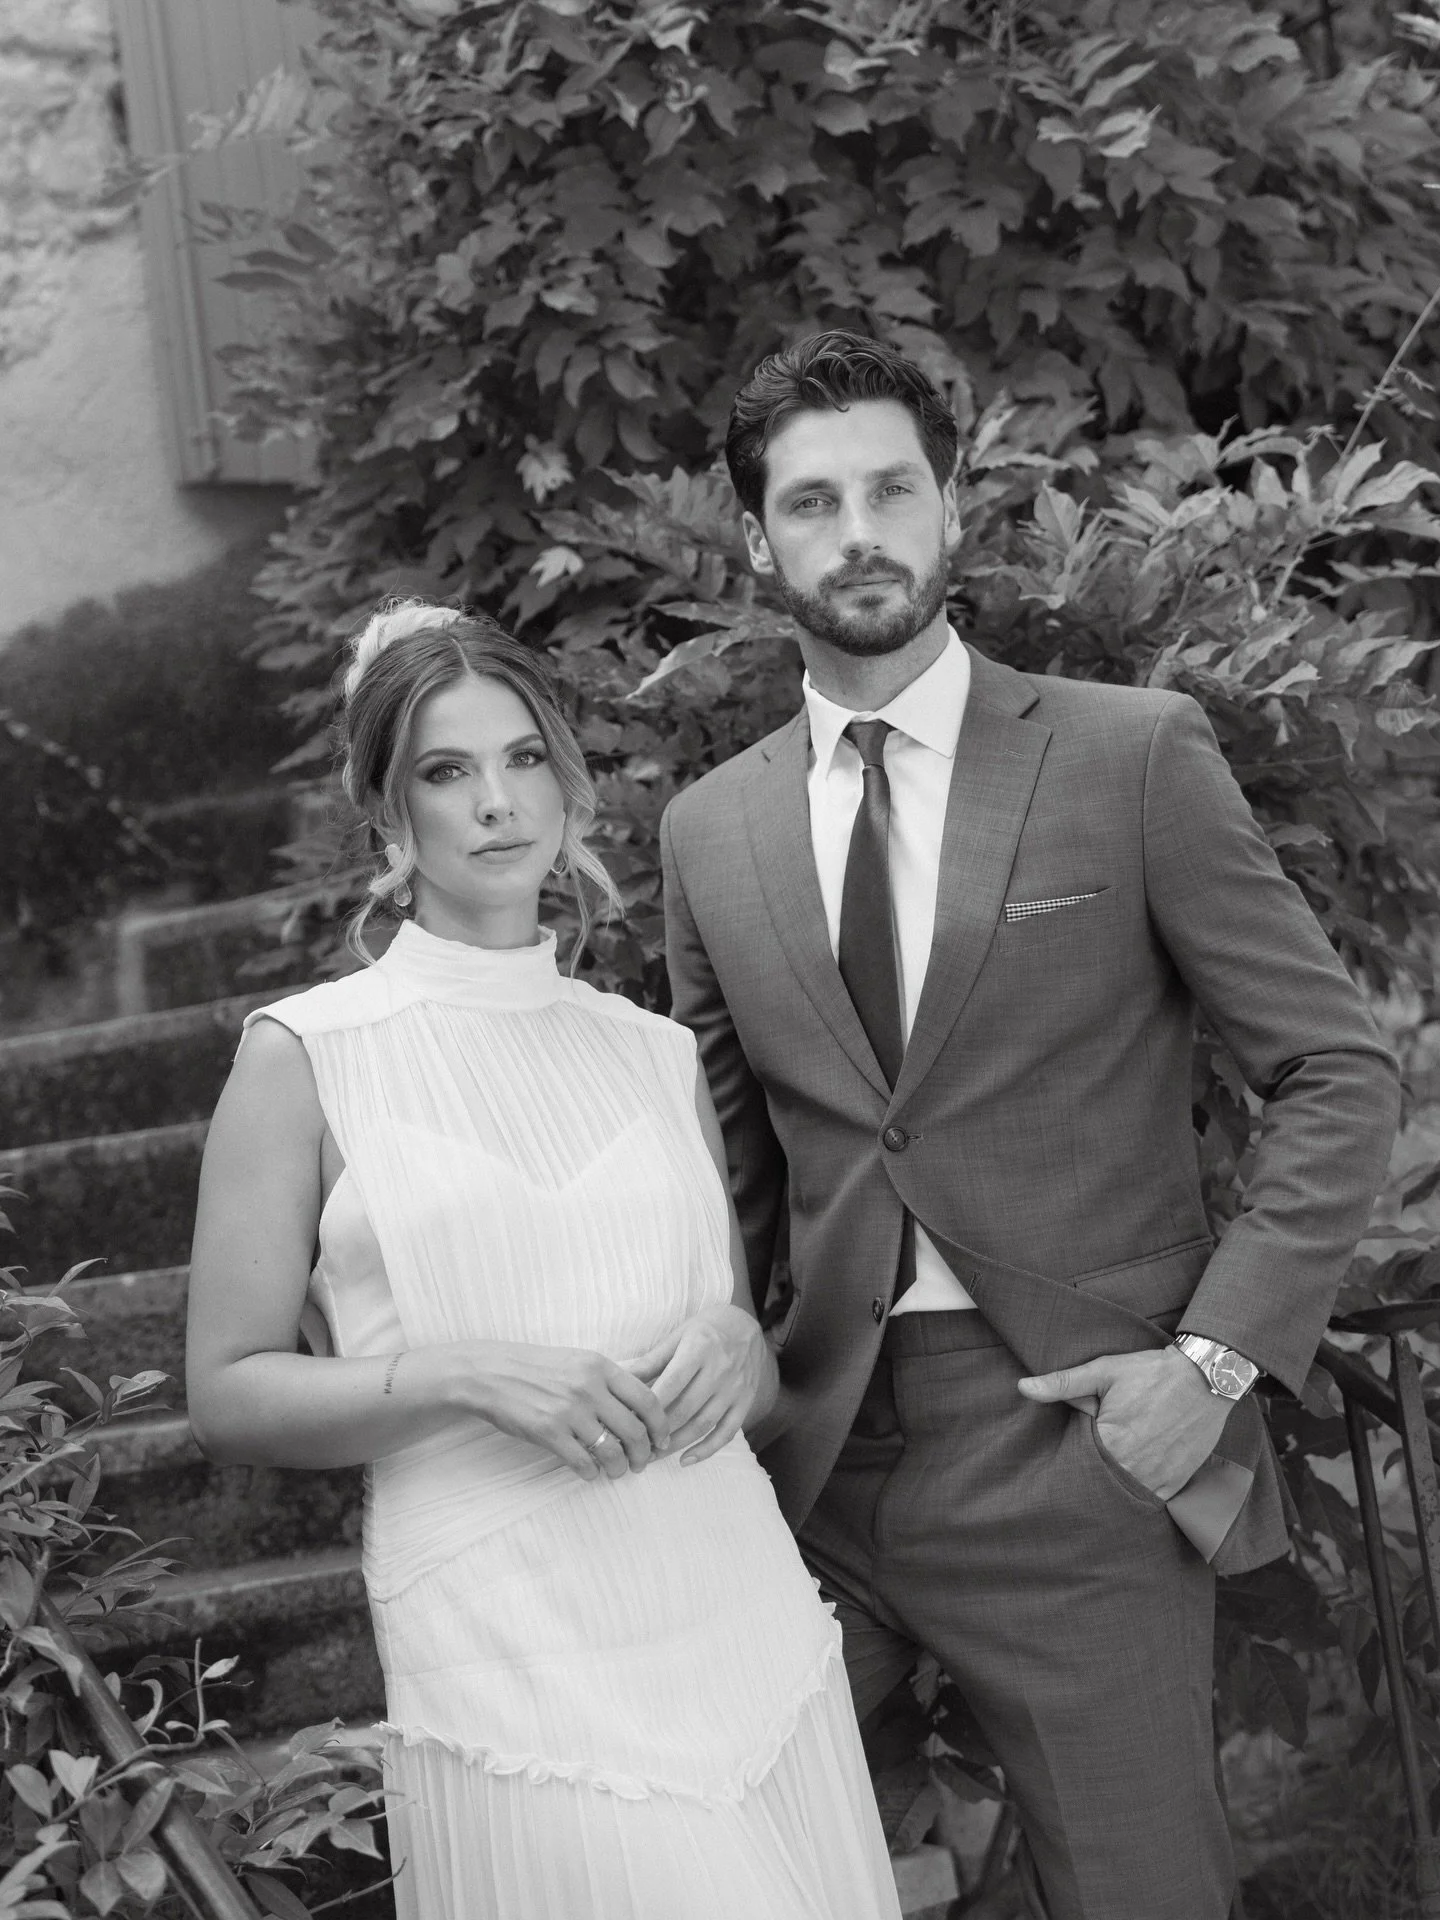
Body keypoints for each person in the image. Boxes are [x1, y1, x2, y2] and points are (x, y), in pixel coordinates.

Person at [660, 330, 1400, 1920]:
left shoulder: (1129, 755)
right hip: (814, 1472)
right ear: (759, 542)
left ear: (952, 507)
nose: (858, 533)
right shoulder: (707, 833)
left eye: (891, 490)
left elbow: (1338, 1073)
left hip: (1076, 1448)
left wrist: (1211, 1368)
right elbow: (727, 1177)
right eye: (811, 503)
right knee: (712, 1874)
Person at [185, 601, 901, 1920]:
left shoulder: (654, 1053)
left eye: (523, 758)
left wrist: (740, 1350)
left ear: (567, 780)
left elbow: (740, 1371)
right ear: (388, 810)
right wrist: (462, 1374)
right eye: (446, 771)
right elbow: (227, 1394)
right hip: (505, 1634)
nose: (496, 802)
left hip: (730, 1600)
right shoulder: (304, 1055)